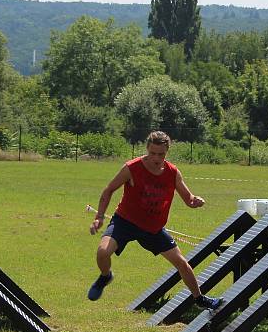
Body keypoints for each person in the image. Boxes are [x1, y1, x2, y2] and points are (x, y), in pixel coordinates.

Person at [87, 130, 222, 310]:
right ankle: (105, 276)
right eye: (152, 153)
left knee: (182, 263)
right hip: (125, 222)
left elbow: (189, 199)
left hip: (153, 229)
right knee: (103, 252)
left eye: (161, 154)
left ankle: (199, 299)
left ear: (167, 152)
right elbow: (109, 190)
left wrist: (196, 201)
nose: (156, 158)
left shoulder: (173, 172)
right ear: (147, 149)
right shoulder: (132, 168)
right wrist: (99, 217)